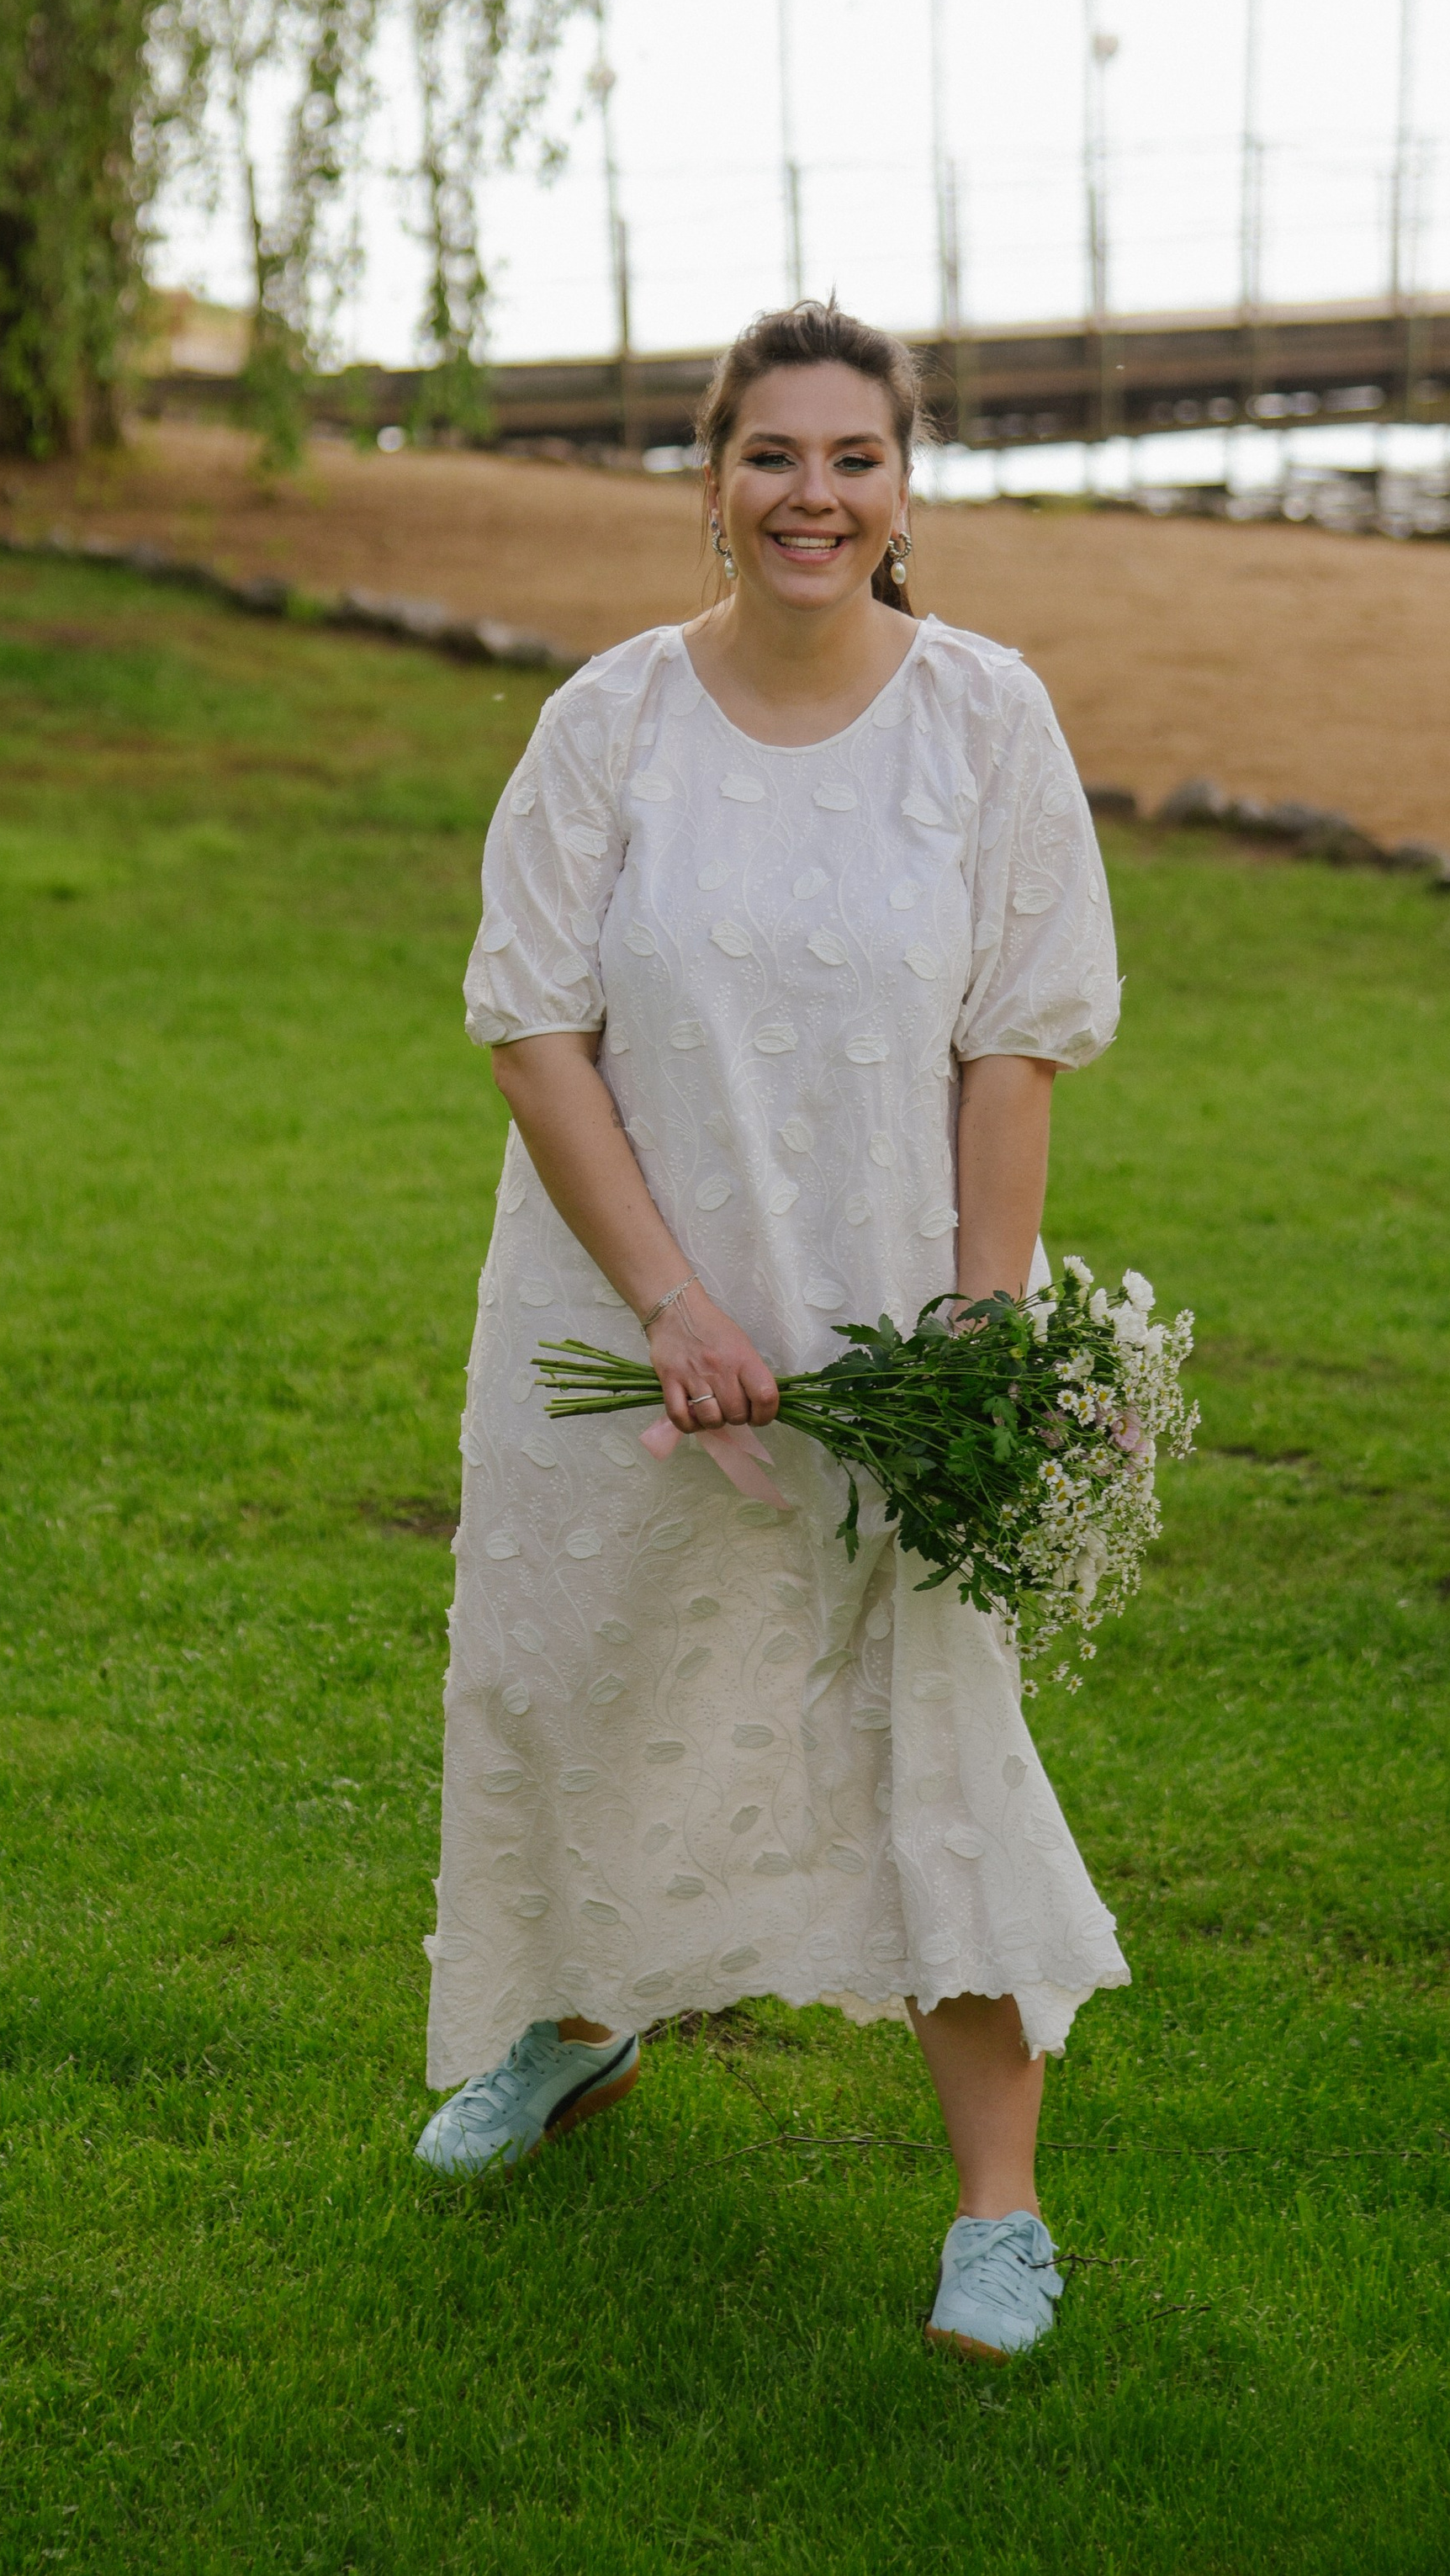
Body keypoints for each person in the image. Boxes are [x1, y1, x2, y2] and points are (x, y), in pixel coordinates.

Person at [416, 300, 1126, 2363]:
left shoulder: (986, 721)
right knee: (592, 1673)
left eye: (853, 460)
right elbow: (532, 1024)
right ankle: (569, 2031)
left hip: (877, 1310)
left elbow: (1011, 1049)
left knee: (923, 1718)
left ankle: (995, 2215)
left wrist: (975, 1336)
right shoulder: (609, 720)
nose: (811, 496)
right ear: (707, 482)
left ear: (904, 490)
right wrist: (665, 1304)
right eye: (771, 457)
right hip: (617, 1299)